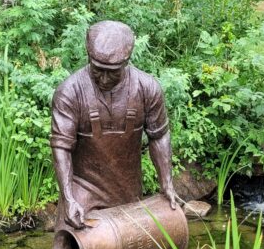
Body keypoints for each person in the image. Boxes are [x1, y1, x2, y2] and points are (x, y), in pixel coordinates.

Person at [50, 19, 178, 232]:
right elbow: (61, 147)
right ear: (89, 58)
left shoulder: (147, 88)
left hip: (129, 193)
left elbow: (159, 136)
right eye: (98, 69)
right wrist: (68, 198)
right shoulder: (70, 92)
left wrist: (167, 183)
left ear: (126, 62)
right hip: (82, 191)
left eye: (113, 71)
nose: (105, 78)